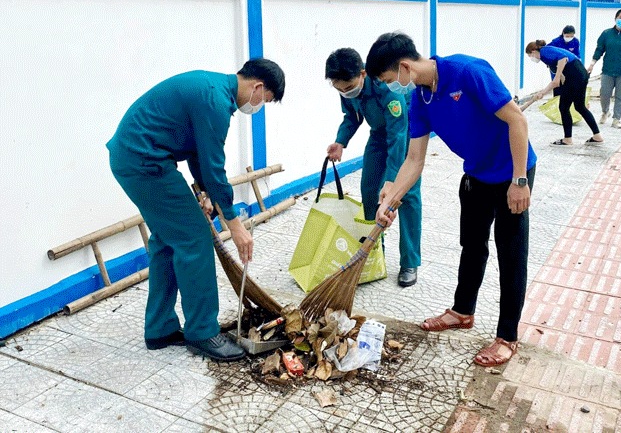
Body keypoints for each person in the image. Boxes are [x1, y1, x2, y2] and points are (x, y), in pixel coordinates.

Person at [366, 32, 536, 368]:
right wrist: (389, 202)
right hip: (475, 174)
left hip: (511, 171)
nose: (390, 87)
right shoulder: (420, 99)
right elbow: (414, 159)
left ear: (404, 67)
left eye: (388, 80)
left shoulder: (468, 72)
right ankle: (462, 311)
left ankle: (507, 337)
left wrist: (519, 181)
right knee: (472, 246)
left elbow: (517, 119)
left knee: (511, 254)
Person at [106, 59, 285, 362]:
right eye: (264, 101)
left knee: (167, 240)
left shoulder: (213, 89)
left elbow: (198, 155)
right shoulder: (216, 102)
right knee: (195, 240)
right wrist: (234, 223)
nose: (260, 106)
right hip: (145, 163)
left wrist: (203, 193)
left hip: (136, 158)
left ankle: (160, 328)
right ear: (257, 87)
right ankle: (203, 332)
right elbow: (214, 166)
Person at [325, 48, 422, 287]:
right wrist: (340, 142)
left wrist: (391, 182)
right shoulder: (345, 89)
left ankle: (409, 261)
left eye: (348, 87)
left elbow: (398, 137)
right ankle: (375, 251)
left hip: (408, 134)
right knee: (369, 190)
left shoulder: (386, 87)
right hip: (379, 135)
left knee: (405, 195)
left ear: (363, 73)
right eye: (340, 89)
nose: (346, 92)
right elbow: (352, 117)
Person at [526, 40, 603, 146]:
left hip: (575, 74)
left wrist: (557, 77)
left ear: (533, 51)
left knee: (564, 107)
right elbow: (556, 82)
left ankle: (567, 139)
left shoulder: (544, 51)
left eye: (530, 55)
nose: (531, 58)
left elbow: (563, 58)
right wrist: (543, 92)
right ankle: (597, 136)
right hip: (580, 73)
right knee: (580, 107)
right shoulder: (548, 58)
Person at [587, 9, 621, 129]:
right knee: (604, 94)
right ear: (615, 18)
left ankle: (616, 119)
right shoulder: (606, 34)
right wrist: (592, 64)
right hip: (608, 70)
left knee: (620, 96)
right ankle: (605, 112)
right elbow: (599, 49)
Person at [547, 25, 581, 98]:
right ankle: (557, 101)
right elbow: (547, 51)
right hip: (557, 67)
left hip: (569, 66)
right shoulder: (556, 42)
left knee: (568, 85)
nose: (569, 38)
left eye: (571, 36)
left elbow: (577, 54)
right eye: (567, 36)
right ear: (563, 33)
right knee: (557, 85)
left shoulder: (575, 42)